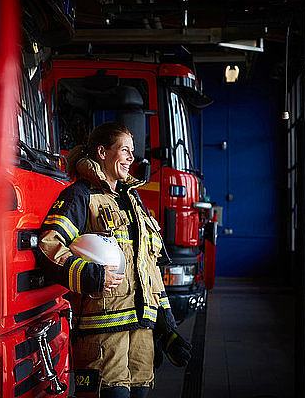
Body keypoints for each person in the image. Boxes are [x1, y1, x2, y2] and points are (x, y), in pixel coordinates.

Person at [34, 122, 191, 398]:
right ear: (102, 152)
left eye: (133, 151)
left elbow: (150, 269)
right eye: (124, 150)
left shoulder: (133, 203)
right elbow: (50, 245)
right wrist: (90, 275)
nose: (132, 157)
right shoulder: (80, 196)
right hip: (102, 340)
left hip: (141, 337)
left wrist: (168, 329)